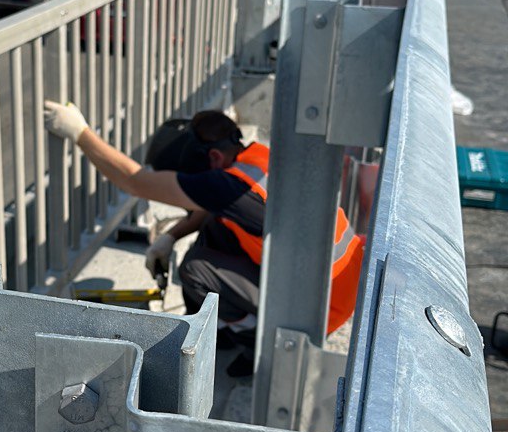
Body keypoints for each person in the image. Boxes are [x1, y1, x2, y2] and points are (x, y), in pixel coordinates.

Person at [43, 102, 364, 377]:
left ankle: (258, 346)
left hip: (318, 313)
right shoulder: (255, 159)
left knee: (195, 271)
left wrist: (80, 133)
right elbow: (217, 206)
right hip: (332, 282)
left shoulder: (227, 185)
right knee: (216, 228)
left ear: (213, 158)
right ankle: (223, 328)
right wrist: (170, 236)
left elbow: (135, 182)